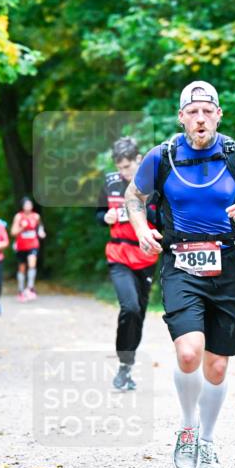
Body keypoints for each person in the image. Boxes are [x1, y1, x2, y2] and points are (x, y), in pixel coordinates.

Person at [123, 81, 235, 468]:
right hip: (180, 263)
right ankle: (188, 429)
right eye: (192, 112)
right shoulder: (161, 157)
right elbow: (133, 197)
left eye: (206, 111)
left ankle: (208, 444)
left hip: (226, 265)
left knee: (216, 366)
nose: (200, 118)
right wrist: (141, 229)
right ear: (181, 117)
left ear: (218, 115)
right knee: (189, 353)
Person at [96, 137, 160, 391]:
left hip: (145, 258)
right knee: (130, 307)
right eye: (119, 167)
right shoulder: (111, 185)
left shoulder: (155, 185)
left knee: (139, 315)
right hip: (119, 255)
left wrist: (141, 209)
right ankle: (124, 363)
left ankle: (127, 368)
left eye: (127, 167)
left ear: (139, 160)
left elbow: (163, 220)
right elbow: (98, 216)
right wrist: (106, 216)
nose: (123, 173)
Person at [10, 197, 45, 301]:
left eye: (30, 204)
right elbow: (13, 232)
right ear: (22, 206)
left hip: (33, 244)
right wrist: (22, 228)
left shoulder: (36, 216)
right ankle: (21, 290)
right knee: (22, 267)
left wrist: (41, 232)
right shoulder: (18, 216)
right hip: (21, 245)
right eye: (26, 205)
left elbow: (40, 227)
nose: (28, 207)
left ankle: (30, 288)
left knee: (32, 264)